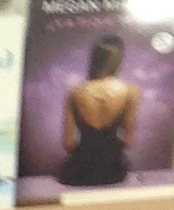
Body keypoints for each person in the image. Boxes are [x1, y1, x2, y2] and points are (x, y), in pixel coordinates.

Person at [61, 33, 142, 186]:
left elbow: (68, 143)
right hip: (113, 170)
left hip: (79, 171)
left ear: (95, 58)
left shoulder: (75, 92)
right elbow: (128, 141)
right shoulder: (131, 92)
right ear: (118, 60)